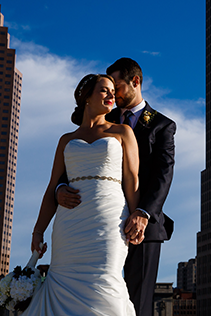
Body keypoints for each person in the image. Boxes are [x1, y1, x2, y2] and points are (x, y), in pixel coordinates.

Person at [57, 57, 176, 316]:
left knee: (136, 302)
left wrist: (143, 214)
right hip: (94, 222)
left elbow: (162, 175)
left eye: (118, 85)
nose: (113, 92)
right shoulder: (101, 115)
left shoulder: (161, 125)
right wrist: (60, 188)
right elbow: (73, 161)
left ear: (135, 82)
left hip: (142, 225)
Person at [24, 74, 140, 315]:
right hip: (69, 227)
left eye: (113, 91)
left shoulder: (123, 132)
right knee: (62, 286)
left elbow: (132, 180)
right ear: (86, 97)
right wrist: (38, 231)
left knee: (106, 282)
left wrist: (138, 217)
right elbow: (51, 188)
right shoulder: (66, 140)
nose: (111, 95)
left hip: (109, 221)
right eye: (104, 90)